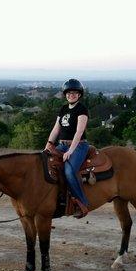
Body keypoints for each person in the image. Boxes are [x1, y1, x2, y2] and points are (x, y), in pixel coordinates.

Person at [45, 79, 90, 218]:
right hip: (62, 144)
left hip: (79, 145)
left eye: (75, 93)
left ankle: (81, 203)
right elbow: (56, 128)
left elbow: (79, 132)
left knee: (69, 170)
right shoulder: (63, 109)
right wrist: (49, 144)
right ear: (65, 94)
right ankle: (57, 199)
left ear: (79, 95)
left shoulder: (82, 109)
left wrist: (70, 151)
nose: (72, 95)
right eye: (69, 93)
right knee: (46, 163)